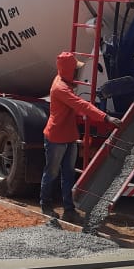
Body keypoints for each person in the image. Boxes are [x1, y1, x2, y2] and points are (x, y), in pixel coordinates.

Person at [40, 51, 107, 222]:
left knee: (68, 174)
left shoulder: (62, 80)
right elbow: (81, 105)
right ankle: (46, 205)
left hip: (69, 136)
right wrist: (105, 117)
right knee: (52, 172)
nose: (78, 72)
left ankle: (69, 210)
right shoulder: (61, 88)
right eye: (75, 69)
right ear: (69, 70)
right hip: (56, 138)